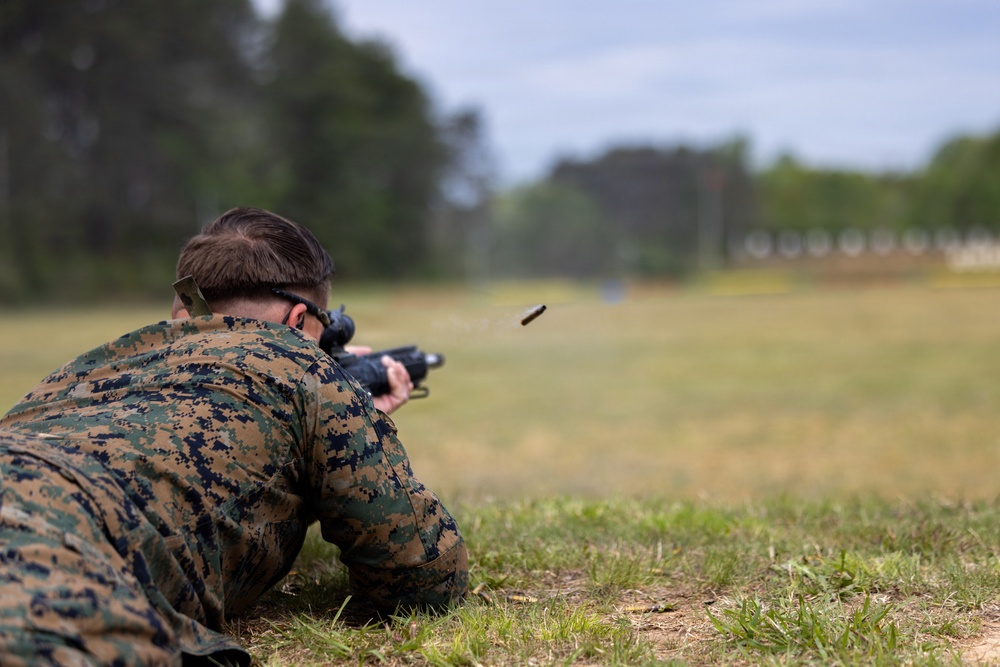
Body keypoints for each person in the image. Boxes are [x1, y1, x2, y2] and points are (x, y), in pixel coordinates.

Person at [0, 207, 468, 666]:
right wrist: (351, 417)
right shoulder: (300, 365)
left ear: (180, 309)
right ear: (297, 320)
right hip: (49, 566)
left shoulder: (80, 368)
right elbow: (421, 578)